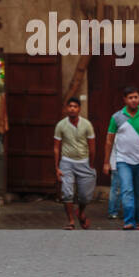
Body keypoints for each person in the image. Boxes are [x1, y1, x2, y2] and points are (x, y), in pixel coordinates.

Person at [103, 86, 139, 230]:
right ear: (125, 100)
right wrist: (106, 162)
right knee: (127, 190)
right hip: (123, 160)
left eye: (136, 97)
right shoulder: (116, 117)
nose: (133, 100)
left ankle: (138, 219)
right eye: (130, 98)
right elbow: (109, 140)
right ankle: (129, 221)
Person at [54, 96, 97, 230]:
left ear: (79, 109)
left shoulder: (87, 124)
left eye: (75, 106)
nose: (72, 109)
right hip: (67, 162)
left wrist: (91, 164)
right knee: (67, 193)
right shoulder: (61, 125)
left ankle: (81, 212)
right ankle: (71, 221)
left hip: (84, 162)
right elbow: (56, 147)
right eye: (70, 106)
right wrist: (57, 167)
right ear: (66, 108)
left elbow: (92, 146)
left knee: (85, 196)